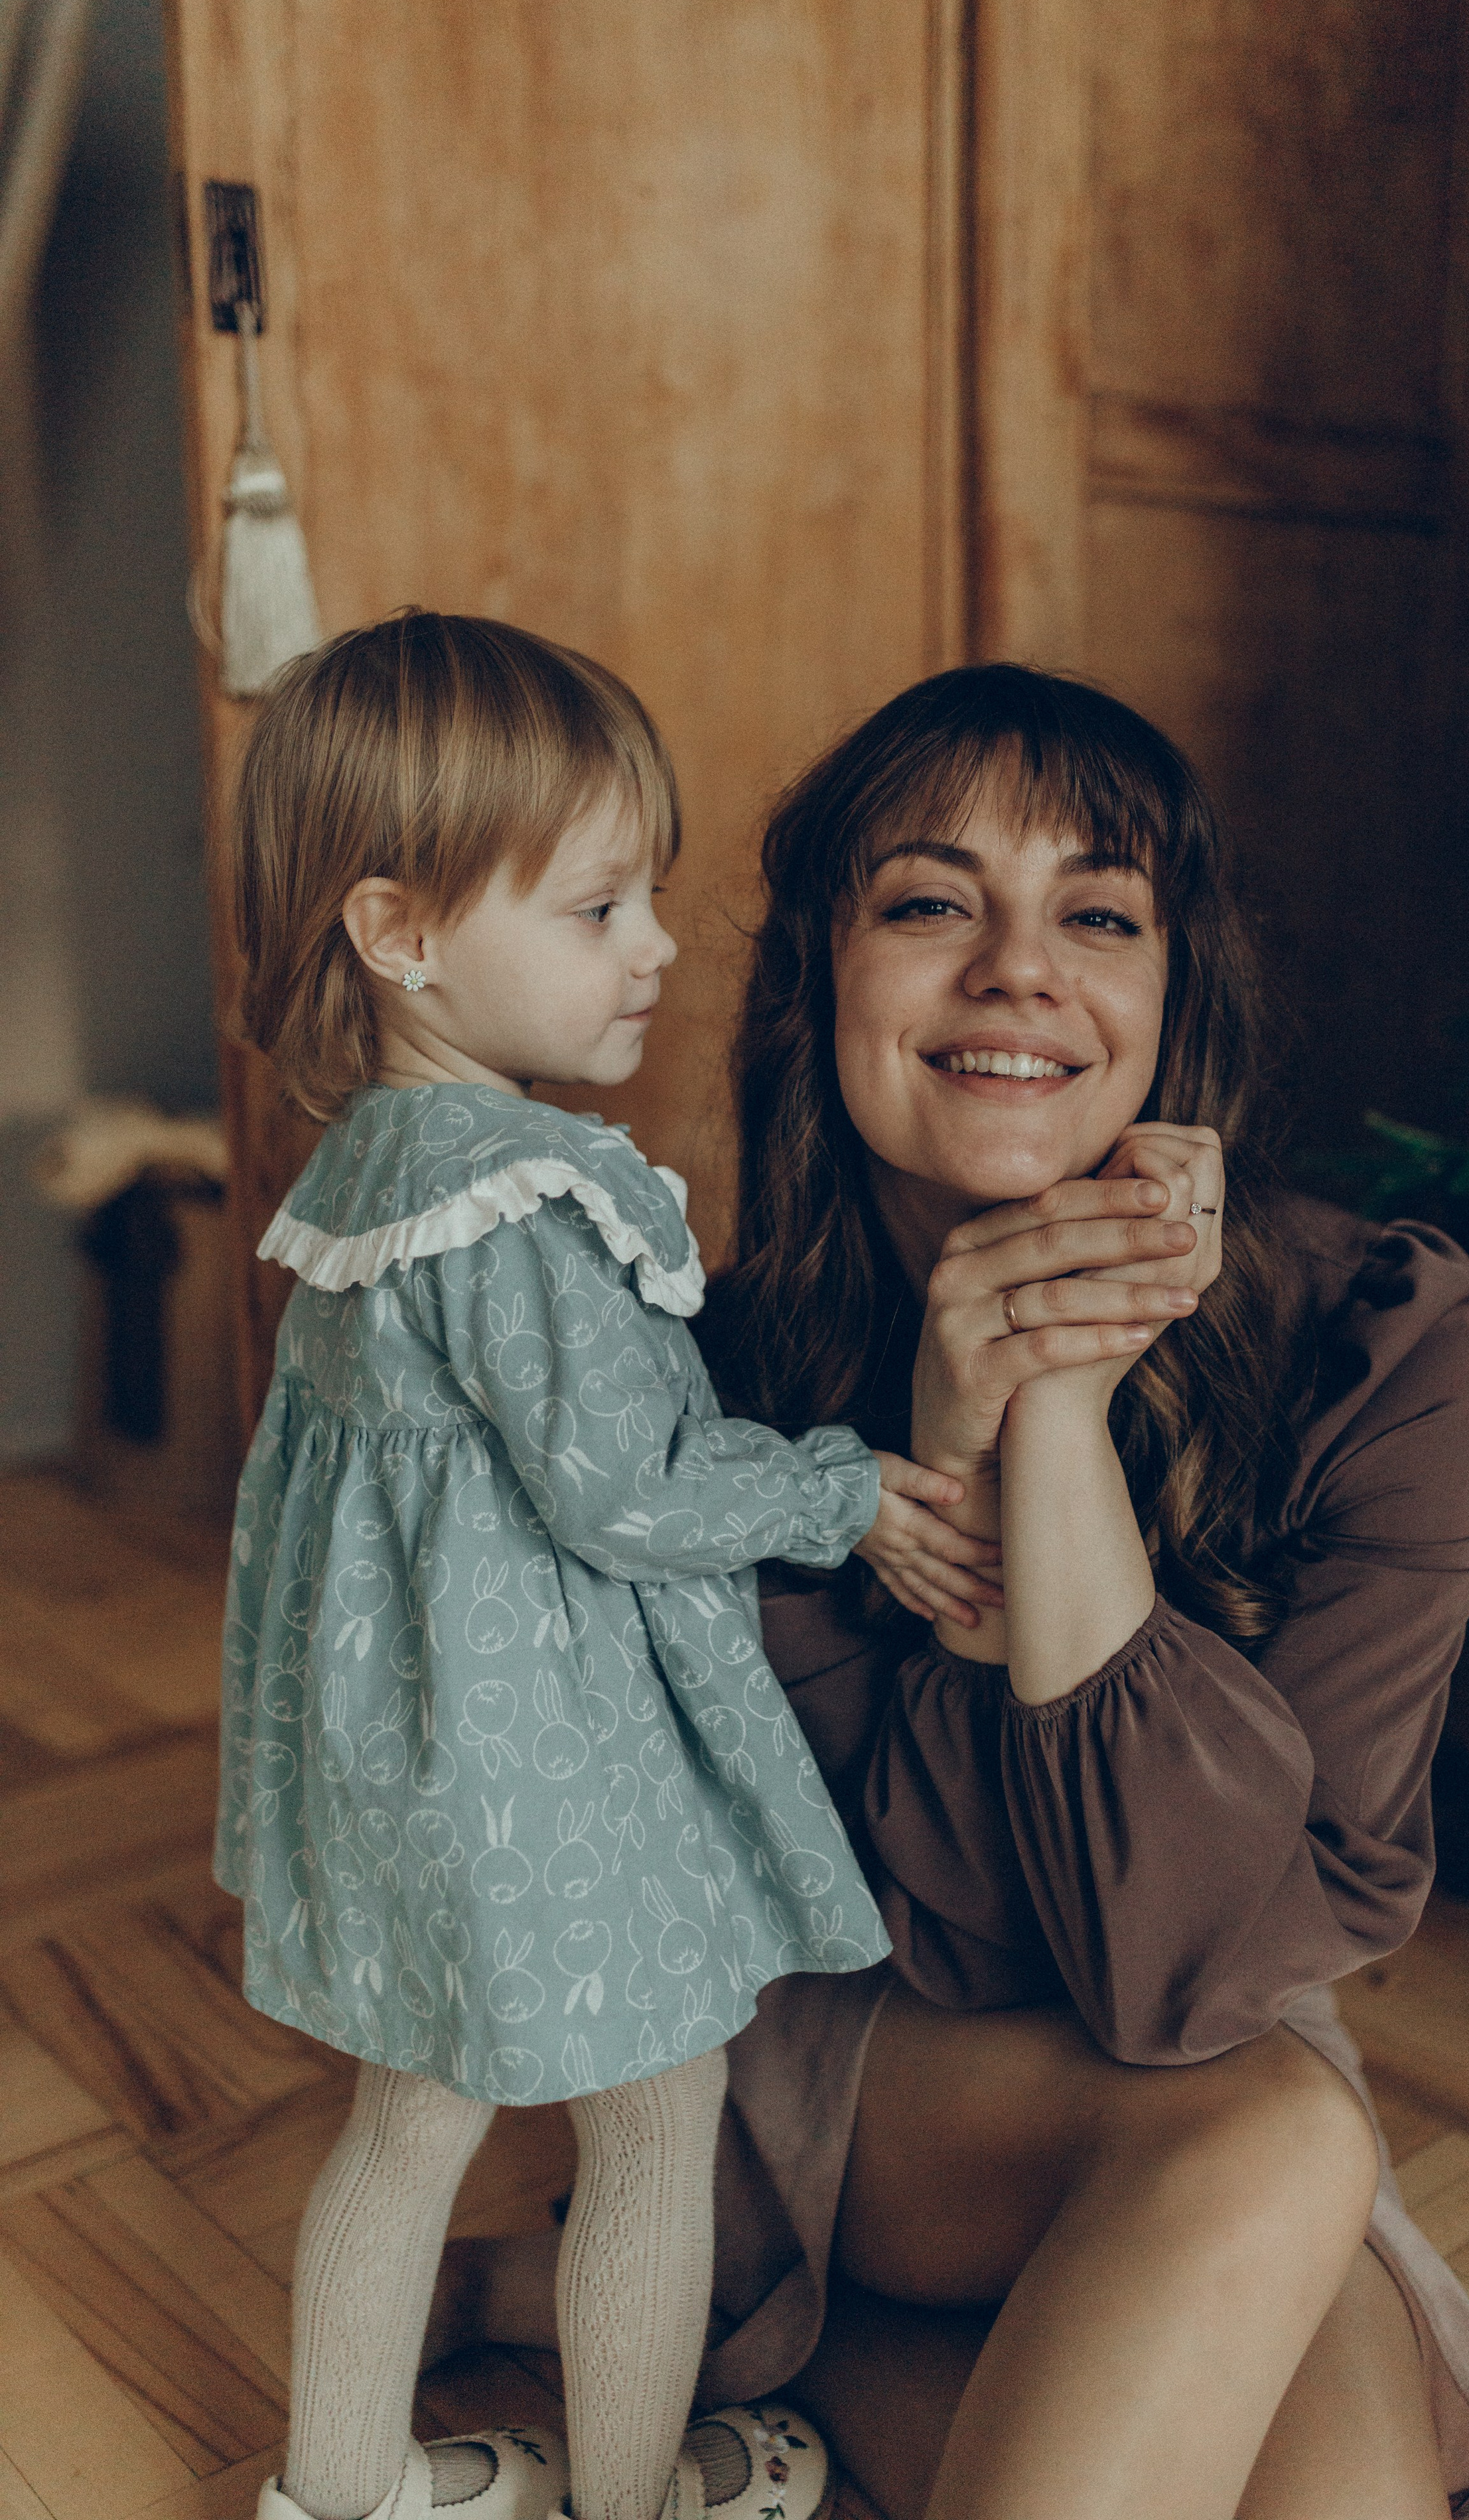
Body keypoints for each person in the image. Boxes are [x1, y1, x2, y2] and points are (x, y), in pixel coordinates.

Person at [437, 664, 1469, 2519]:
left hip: (1207, 2044)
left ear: (1175, 995)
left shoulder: (1395, 1348)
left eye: (1098, 915)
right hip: (836, 2050)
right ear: (822, 980)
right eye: (931, 903)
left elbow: (1205, 1969)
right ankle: (696, 2293)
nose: (1020, 971)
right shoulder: (691, 1404)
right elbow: (939, 1942)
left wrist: (1058, 1414)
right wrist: (965, 1459)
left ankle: (700, 2346)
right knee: (1284, 2136)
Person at [215, 615, 1005, 2520]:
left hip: (407, 1762)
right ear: (399, 932)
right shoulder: (516, 1200)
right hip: (545, 1782)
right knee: (657, 2124)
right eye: (596, 910)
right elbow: (626, 1490)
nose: (654, 947)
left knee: (407, 2122)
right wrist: (839, 1494)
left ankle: (341, 2492)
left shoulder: (368, 1175)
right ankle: (634, 2493)